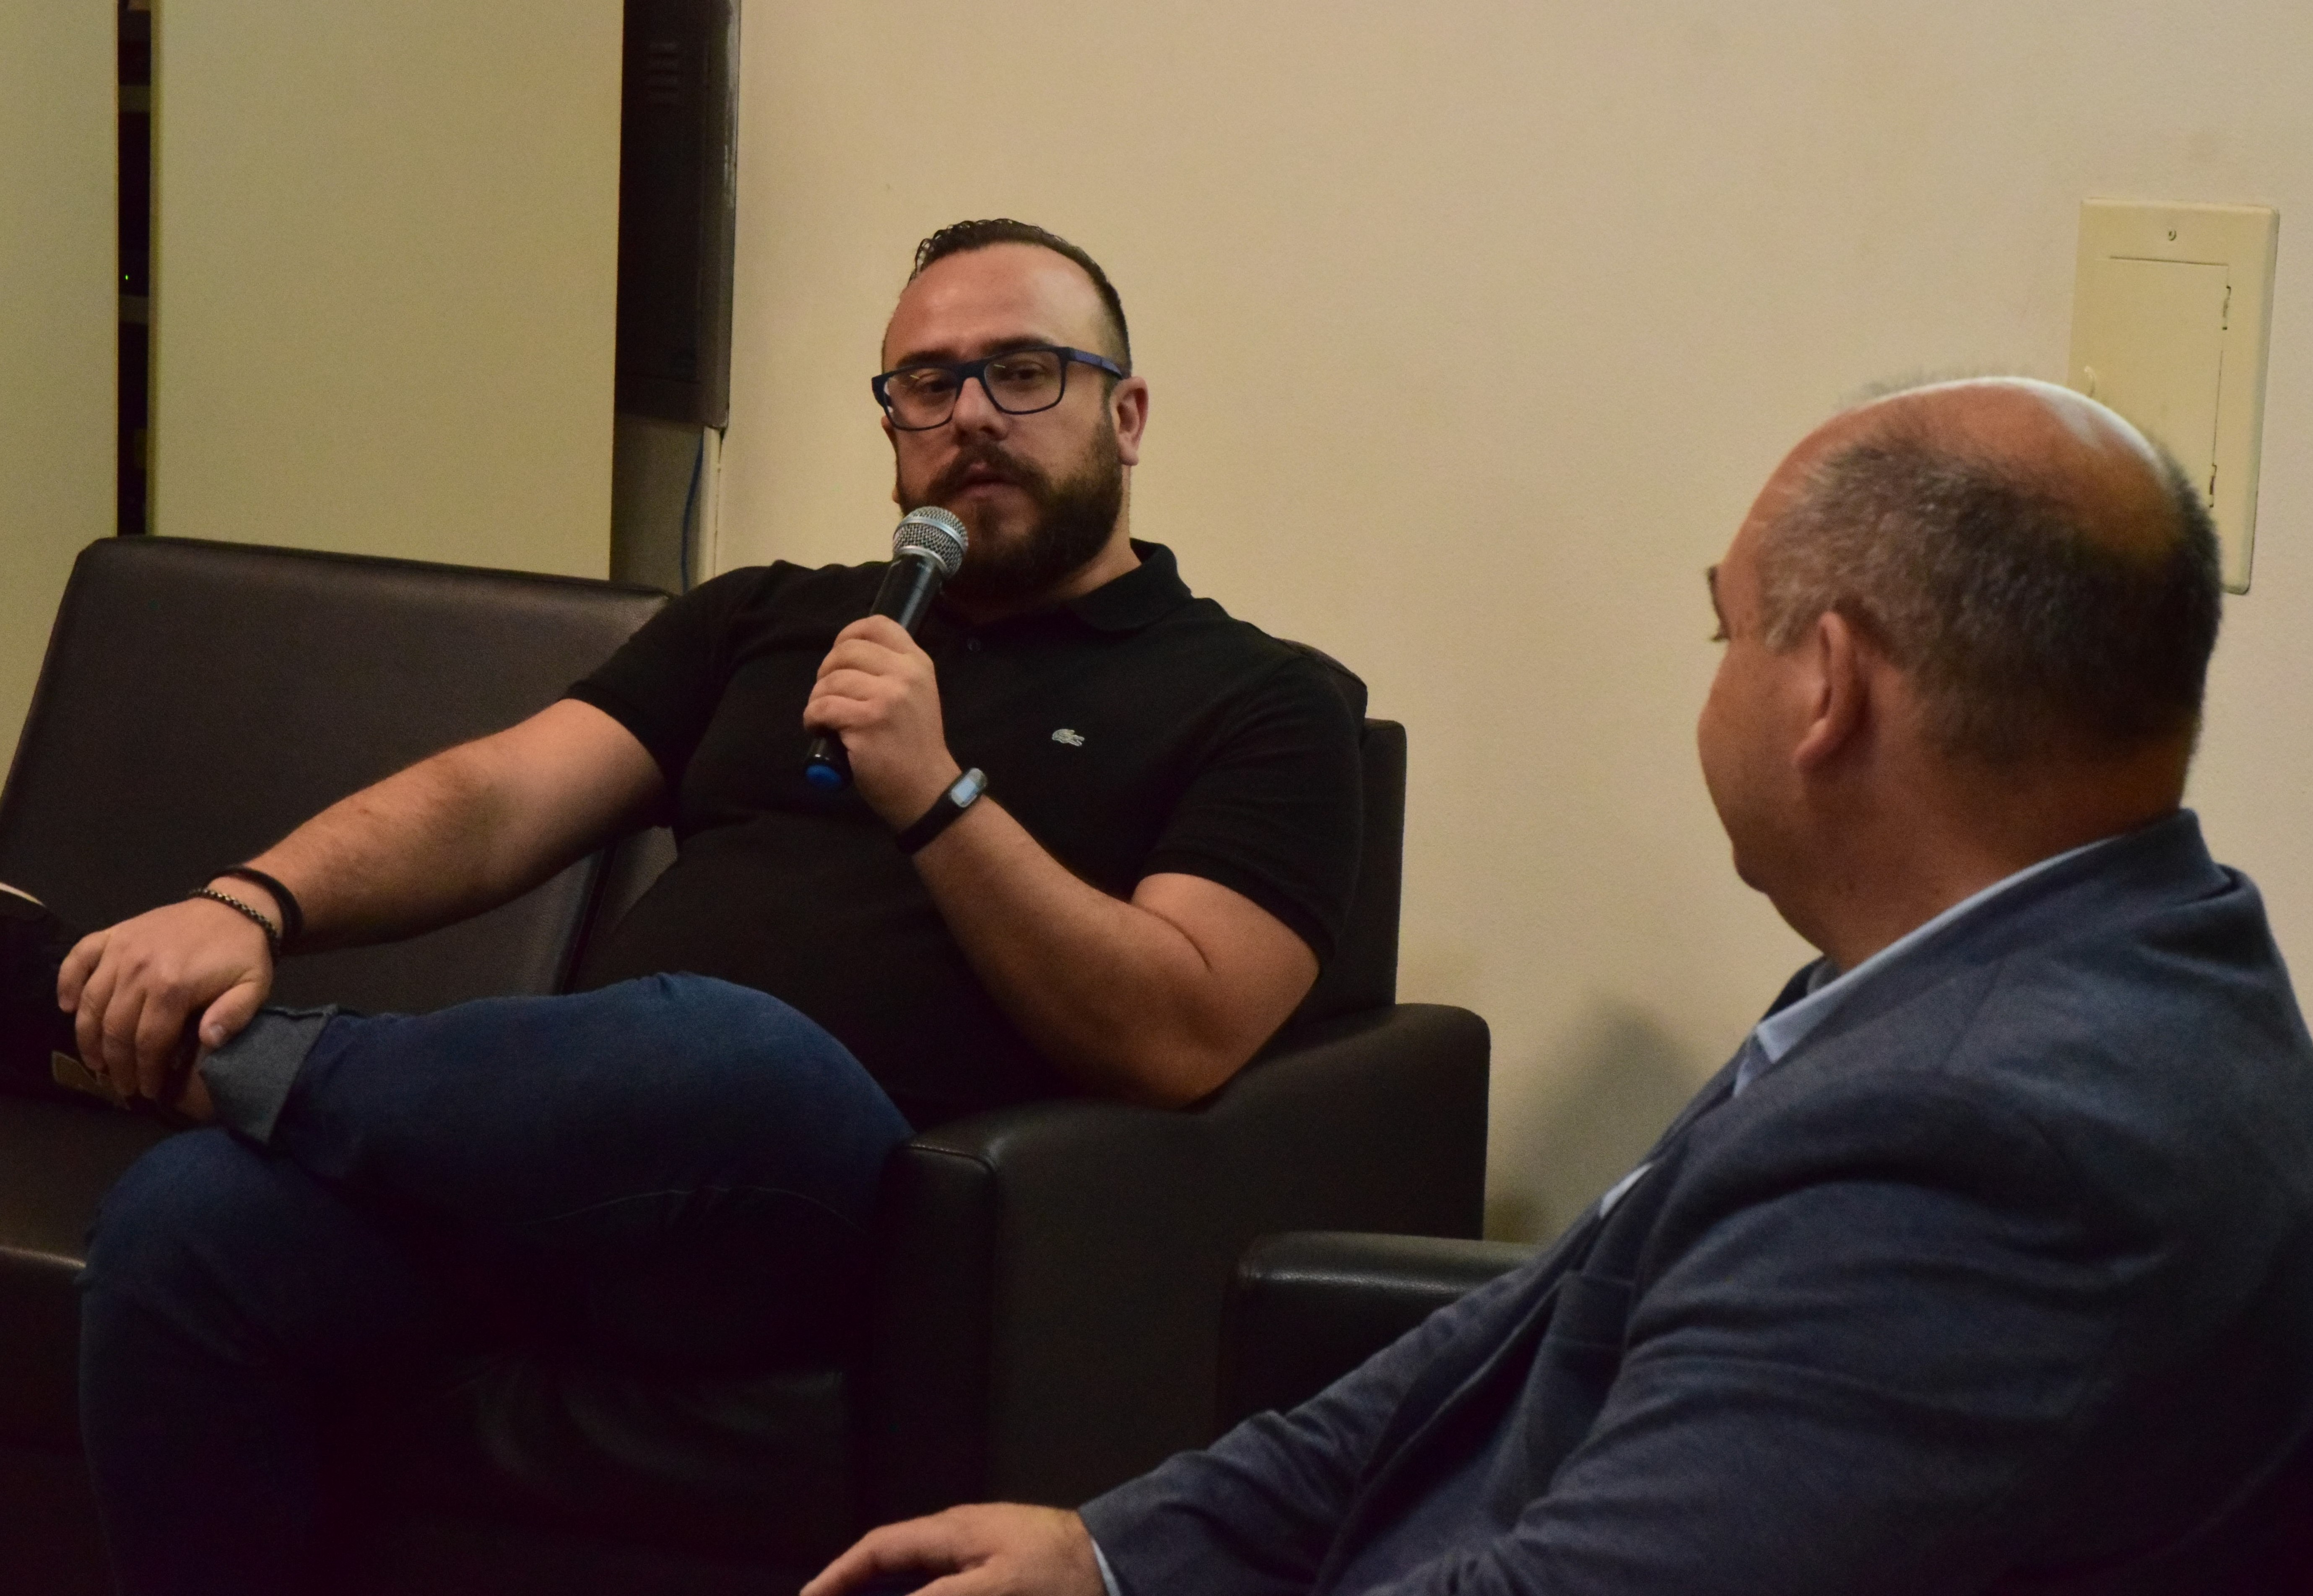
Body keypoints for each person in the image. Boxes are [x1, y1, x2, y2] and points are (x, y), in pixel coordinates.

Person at [803, 378, 2313, 1596]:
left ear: (1827, 688)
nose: (1716, 670)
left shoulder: (1977, 1143)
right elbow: (1517, 1332)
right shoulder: (2081, 954)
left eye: (1727, 626)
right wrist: (1119, 1555)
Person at [2, 219, 1367, 1594]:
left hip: (830, 1211)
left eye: (1022, 372)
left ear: (1126, 416)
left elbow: (1179, 1029)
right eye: (925, 383)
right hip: (565, 1170)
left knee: (730, 1046)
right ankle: (212, 1060)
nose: (968, 416)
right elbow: (497, 798)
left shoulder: (1263, 702)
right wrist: (253, 904)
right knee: (187, 1219)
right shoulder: (770, 619)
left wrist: (936, 794)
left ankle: (157, 1045)